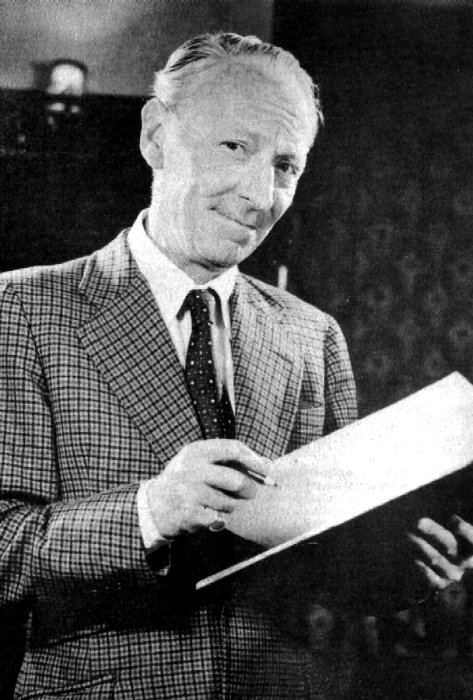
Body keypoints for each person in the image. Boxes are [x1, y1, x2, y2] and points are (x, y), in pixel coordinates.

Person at [0, 32, 357, 698]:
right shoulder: (20, 310)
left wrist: (399, 569)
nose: (260, 194)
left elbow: (326, 574)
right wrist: (150, 511)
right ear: (156, 136)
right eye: (235, 146)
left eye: (285, 164)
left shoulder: (314, 336)